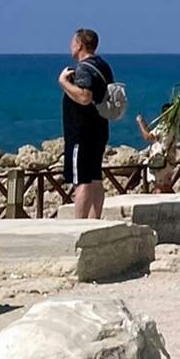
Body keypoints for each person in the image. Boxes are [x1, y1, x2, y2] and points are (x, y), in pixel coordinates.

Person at [57, 28, 115, 219]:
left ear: (80, 44)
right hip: (100, 129)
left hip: (81, 132)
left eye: (73, 42)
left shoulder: (83, 68)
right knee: (95, 178)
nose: (70, 46)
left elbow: (84, 97)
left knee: (81, 180)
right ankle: (93, 222)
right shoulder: (103, 65)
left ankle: (79, 225)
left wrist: (64, 82)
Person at [136, 103, 180, 192]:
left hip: (161, 161)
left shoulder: (164, 127)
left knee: (159, 187)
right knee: (166, 185)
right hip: (170, 160)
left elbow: (148, 137)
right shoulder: (175, 126)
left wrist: (140, 123)